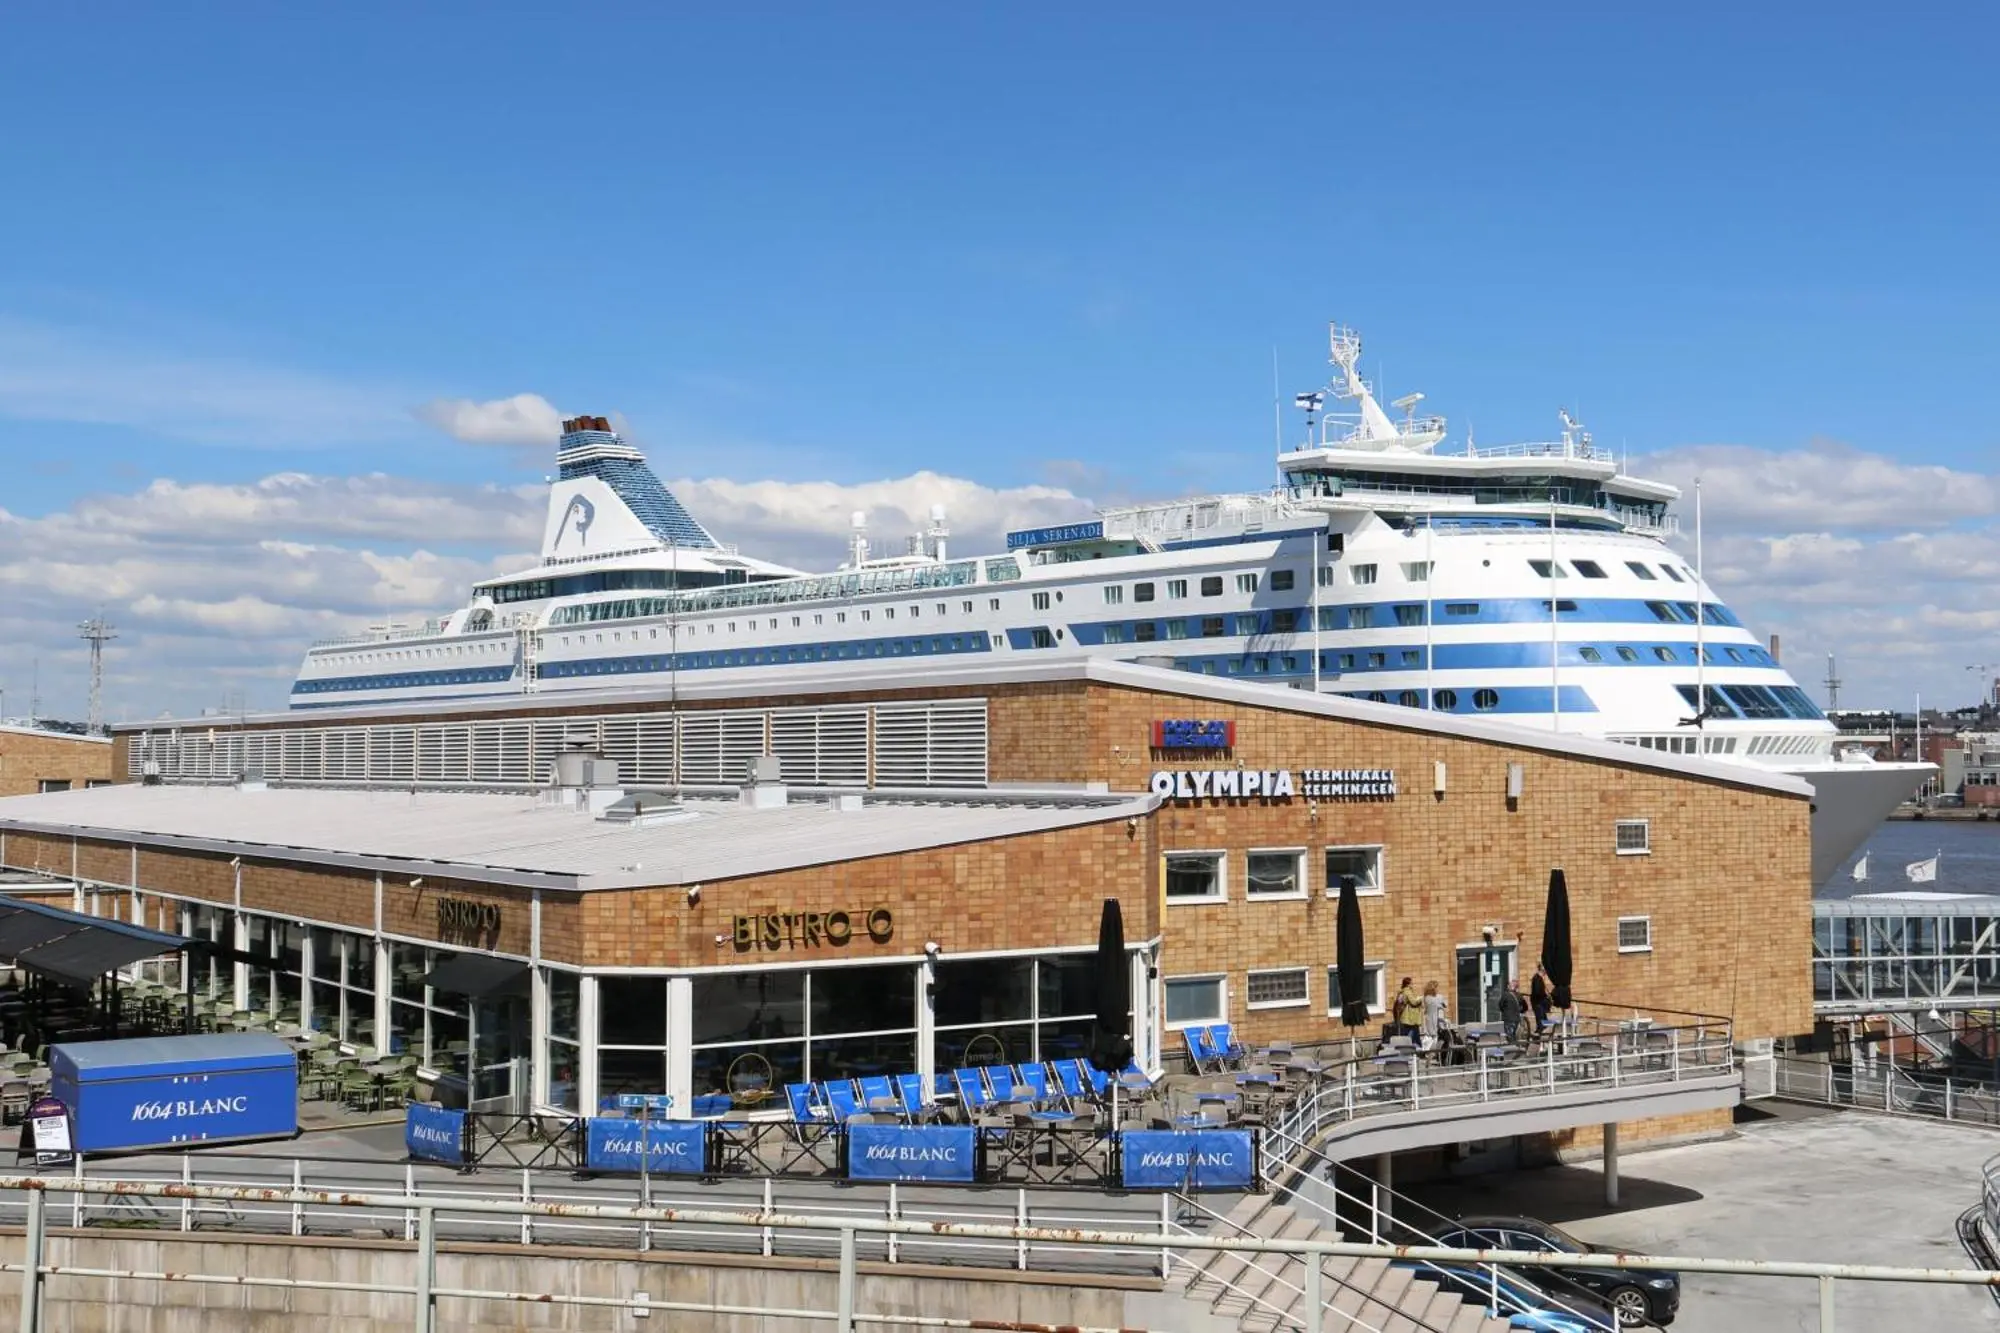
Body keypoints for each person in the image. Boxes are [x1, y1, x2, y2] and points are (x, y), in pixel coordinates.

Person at [1420, 979, 1448, 1052]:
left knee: (1430, 1037)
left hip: (1428, 1019)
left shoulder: (1426, 997)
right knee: (1434, 1038)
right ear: (1434, 988)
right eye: (1437, 987)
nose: (1438, 989)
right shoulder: (1435, 998)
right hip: (1433, 1020)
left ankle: (1428, 1052)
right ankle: (1432, 1053)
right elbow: (1444, 1005)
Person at [1498, 977, 1526, 1047]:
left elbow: (1500, 1005)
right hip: (1516, 1019)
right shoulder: (1519, 996)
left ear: (1509, 987)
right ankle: (1515, 1048)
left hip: (1508, 1019)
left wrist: (1505, 1011)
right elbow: (1525, 1007)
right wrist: (1519, 1011)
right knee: (1513, 1035)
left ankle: (1512, 1050)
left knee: (1509, 1037)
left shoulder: (1505, 995)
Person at [1392, 976, 1422, 1041]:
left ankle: (1414, 1044)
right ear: (1408, 984)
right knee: (1411, 1032)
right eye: (1411, 983)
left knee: (1410, 1031)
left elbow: (1400, 1002)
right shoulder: (1408, 992)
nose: (1412, 985)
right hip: (1410, 1016)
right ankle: (1409, 1044)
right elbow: (1414, 1002)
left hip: (1404, 1015)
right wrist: (1421, 999)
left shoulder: (1401, 992)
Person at [1530, 963, 1552, 1037]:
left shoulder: (1539, 978)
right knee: (1541, 1023)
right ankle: (1539, 1038)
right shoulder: (1537, 978)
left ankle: (1540, 1036)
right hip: (1538, 1004)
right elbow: (1537, 992)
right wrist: (1546, 996)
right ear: (1542, 969)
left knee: (1544, 1022)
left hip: (1540, 1004)